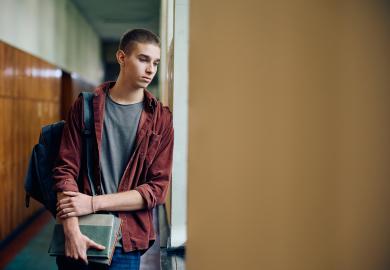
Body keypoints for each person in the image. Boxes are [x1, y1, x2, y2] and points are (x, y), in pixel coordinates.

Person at [53, 28, 174, 270]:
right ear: (121, 57)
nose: (151, 69)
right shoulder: (86, 107)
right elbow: (65, 171)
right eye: (143, 59)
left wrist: (94, 203)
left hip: (126, 244)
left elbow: (156, 190)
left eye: (156, 62)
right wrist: (71, 230)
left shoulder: (161, 119)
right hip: (80, 235)